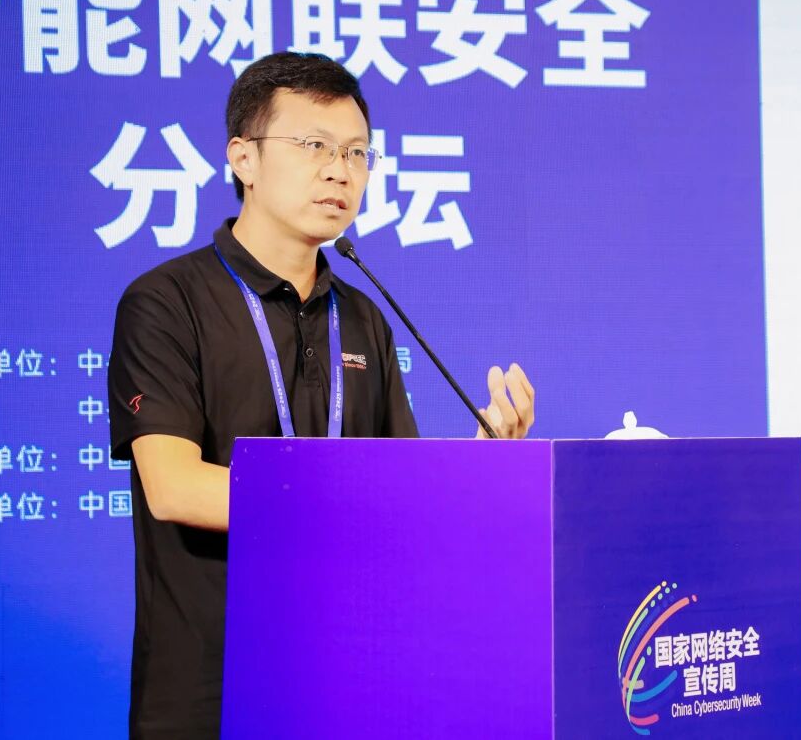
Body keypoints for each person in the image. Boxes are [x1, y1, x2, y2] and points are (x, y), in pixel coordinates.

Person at [106, 51, 536, 739]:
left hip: (350, 678)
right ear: (243, 158)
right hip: (213, 689)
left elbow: (404, 491)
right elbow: (176, 489)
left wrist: (479, 460)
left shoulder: (362, 317)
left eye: (357, 152)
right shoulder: (166, 303)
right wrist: (356, 500)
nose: (341, 170)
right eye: (314, 145)